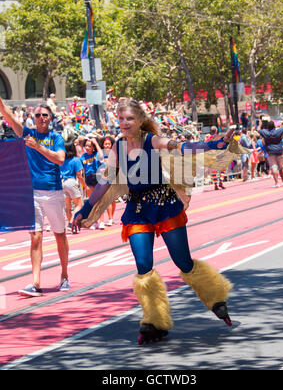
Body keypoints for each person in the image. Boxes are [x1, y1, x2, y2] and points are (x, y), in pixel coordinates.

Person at [73, 99, 234, 344]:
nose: (124, 123)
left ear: (139, 121)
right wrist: (84, 209)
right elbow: (105, 182)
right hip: (137, 210)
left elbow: (181, 147)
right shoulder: (117, 147)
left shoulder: (152, 141)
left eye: (129, 119)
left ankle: (216, 297)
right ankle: (154, 321)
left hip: (165, 205)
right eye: (121, 119)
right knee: (143, 266)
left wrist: (213, 143)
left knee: (183, 261)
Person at [0, 97, 70, 297]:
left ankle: (64, 275)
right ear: (33, 117)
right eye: (37, 115)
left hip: (54, 192)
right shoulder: (27, 133)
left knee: (59, 235)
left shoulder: (56, 137)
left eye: (44, 115)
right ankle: (36, 282)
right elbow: (6, 113)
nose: (41, 118)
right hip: (31, 193)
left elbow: (60, 159)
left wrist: (38, 147)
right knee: (36, 237)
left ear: (50, 118)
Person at [61, 140, 86, 232]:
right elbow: (79, 175)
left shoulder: (62, 160)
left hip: (62, 182)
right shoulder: (76, 160)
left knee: (67, 207)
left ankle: (71, 226)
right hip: (71, 181)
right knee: (79, 204)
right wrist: (85, 185)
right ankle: (71, 223)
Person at [80, 137, 104, 229]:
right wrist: (84, 185)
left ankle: (101, 221)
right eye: (86, 146)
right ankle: (94, 221)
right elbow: (81, 171)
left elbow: (101, 156)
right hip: (89, 179)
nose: (87, 148)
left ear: (93, 147)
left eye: (89, 146)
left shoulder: (96, 154)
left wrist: (96, 143)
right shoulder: (83, 157)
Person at [258, 119, 283, 187]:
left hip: (270, 152)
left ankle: (277, 183)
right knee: (281, 167)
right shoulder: (278, 131)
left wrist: (260, 124)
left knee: (274, 168)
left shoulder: (265, 132)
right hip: (279, 151)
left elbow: (258, 130)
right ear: (274, 126)